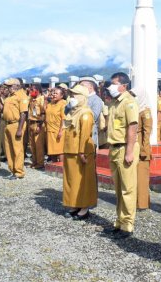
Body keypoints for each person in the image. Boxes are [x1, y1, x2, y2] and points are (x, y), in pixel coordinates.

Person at [101, 72, 140, 240]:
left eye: (114, 83)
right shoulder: (115, 103)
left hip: (125, 148)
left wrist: (130, 151)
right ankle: (119, 221)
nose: (111, 86)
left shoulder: (129, 102)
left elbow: (133, 128)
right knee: (118, 188)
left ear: (123, 85)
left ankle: (127, 225)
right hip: (115, 148)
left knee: (127, 188)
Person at [62, 85, 97, 220]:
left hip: (80, 152)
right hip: (70, 150)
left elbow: (85, 135)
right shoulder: (73, 112)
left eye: (75, 95)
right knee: (72, 180)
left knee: (84, 181)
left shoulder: (86, 113)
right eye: (71, 95)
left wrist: (82, 152)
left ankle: (84, 208)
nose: (72, 98)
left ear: (83, 97)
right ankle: (75, 204)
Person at [2, 78, 29, 179]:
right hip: (7, 124)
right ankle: (13, 170)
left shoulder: (22, 96)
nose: (8, 88)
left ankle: (18, 172)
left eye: (10, 86)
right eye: (8, 86)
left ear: (16, 85)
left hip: (16, 124)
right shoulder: (10, 96)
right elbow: (3, 110)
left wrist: (19, 129)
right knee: (9, 149)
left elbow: (23, 113)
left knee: (17, 149)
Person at [133, 86, 153, 211]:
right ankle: (136, 201)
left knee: (141, 177)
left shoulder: (145, 111)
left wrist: (144, 150)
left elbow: (147, 131)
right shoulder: (137, 109)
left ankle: (142, 203)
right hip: (135, 144)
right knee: (135, 176)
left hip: (141, 146)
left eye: (135, 96)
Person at [80, 77, 104, 148]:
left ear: (91, 87)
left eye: (82, 86)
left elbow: (94, 116)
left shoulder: (96, 99)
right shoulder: (81, 98)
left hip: (90, 132)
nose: (80, 88)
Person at [27, 84, 46, 169]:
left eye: (33, 90)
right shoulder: (31, 99)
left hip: (38, 123)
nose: (31, 91)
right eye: (31, 89)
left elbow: (43, 113)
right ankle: (34, 162)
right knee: (32, 145)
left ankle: (40, 163)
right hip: (30, 122)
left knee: (38, 145)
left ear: (38, 90)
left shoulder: (42, 99)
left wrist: (39, 125)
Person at [45, 87, 67, 162]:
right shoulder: (51, 103)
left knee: (60, 151)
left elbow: (63, 118)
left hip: (58, 130)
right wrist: (45, 99)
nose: (54, 95)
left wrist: (61, 131)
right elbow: (44, 111)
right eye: (53, 93)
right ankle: (54, 168)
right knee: (52, 151)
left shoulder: (63, 104)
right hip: (50, 130)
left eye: (56, 93)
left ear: (61, 96)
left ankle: (61, 169)